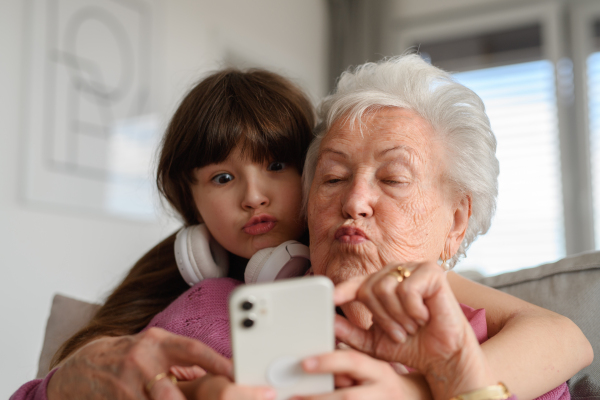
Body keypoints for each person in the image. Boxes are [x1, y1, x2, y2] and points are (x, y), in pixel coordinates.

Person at [12, 57, 593, 400]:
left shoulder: (504, 356)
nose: (355, 201)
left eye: (392, 179)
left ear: (457, 219)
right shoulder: (210, 310)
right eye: (333, 177)